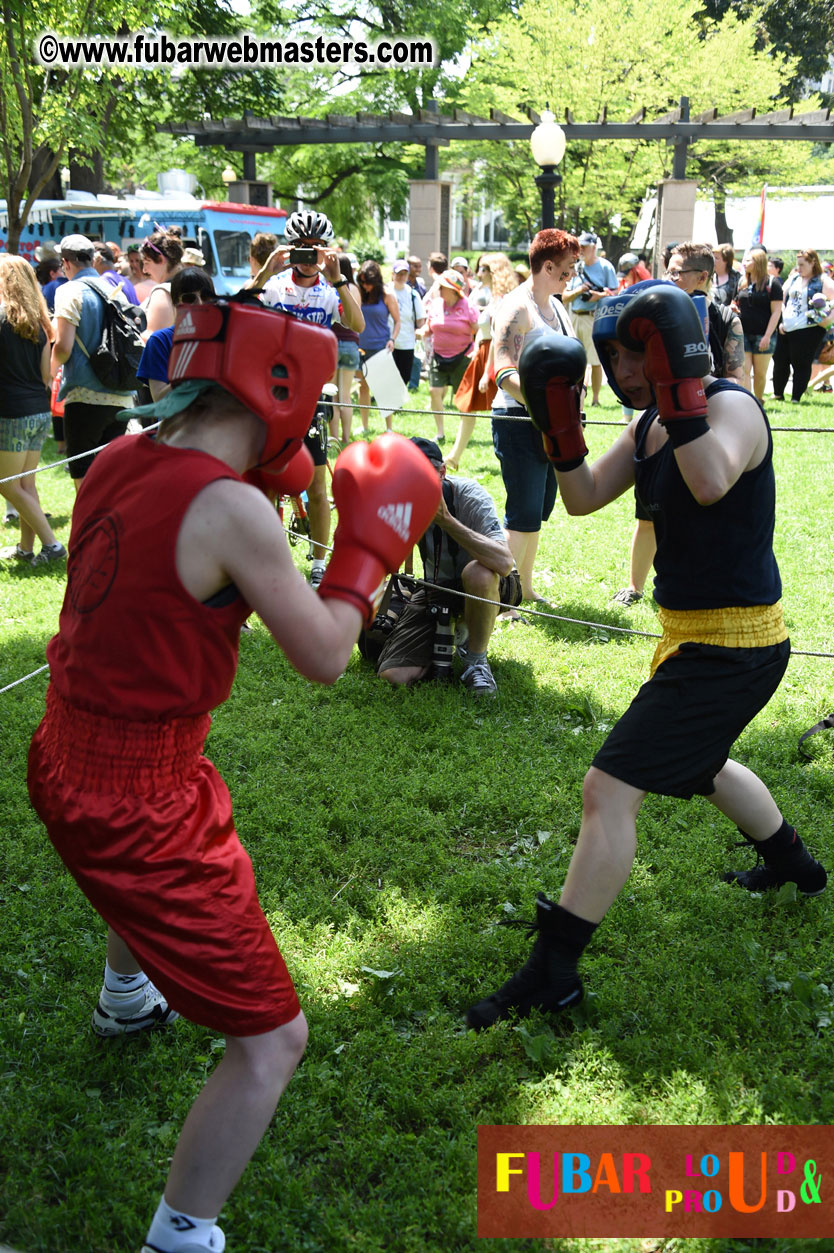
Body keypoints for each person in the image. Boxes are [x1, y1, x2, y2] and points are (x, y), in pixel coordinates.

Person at [27, 295, 440, 1253]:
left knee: (152, 841)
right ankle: (181, 1236)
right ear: (281, 388)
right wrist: (370, 550)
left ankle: (128, 994)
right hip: (137, 800)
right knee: (271, 1041)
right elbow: (327, 654)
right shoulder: (235, 509)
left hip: (70, 749)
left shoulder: (122, 454)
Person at [466, 280, 826, 1032]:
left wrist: (680, 392)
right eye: (619, 355)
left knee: (608, 787)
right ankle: (798, 867)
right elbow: (583, 495)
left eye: (641, 350)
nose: (627, 369)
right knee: (704, 764)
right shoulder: (652, 423)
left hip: (738, 645)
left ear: (676, 347)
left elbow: (711, 478)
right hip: (692, 637)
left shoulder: (727, 409)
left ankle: (555, 967)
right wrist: (555, 423)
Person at [249, 209, 364, 588]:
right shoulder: (275, 285)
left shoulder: (332, 289)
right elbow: (240, 311)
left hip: (312, 397)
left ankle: (317, 562)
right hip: (272, 396)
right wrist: (266, 271)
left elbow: (357, 325)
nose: (308, 255)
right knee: (268, 481)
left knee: (317, 484)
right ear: (289, 248)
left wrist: (340, 278)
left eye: (316, 248)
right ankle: (267, 555)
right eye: (301, 247)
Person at [374, 436, 516, 697]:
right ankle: (452, 630)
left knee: (478, 573)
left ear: (442, 472)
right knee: (394, 676)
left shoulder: (470, 495)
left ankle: (476, 660)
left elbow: (504, 563)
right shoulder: (399, 500)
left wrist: (446, 521)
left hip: (490, 583)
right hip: (436, 587)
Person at [490, 228, 579, 604]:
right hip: (519, 421)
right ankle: (502, 599)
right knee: (522, 512)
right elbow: (504, 371)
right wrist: (544, 408)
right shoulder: (516, 307)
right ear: (547, 265)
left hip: (552, 423)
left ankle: (524, 588)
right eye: (567, 268)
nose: (572, 275)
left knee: (538, 510)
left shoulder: (557, 305)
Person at [51, 234, 134, 492]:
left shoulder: (68, 291)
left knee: (84, 480)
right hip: (121, 396)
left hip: (86, 396)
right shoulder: (116, 291)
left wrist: (47, 373)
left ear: (66, 262)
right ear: (94, 258)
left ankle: (91, 531)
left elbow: (63, 347)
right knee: (110, 480)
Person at [0, 255, 66, 566]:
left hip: (12, 413)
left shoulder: (1, 320)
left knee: (7, 484)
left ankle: (52, 546)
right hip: (39, 412)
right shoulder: (41, 326)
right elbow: (46, 376)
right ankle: (26, 549)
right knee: (25, 483)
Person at [447, 254, 516, 472]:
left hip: (497, 356)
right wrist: (477, 349)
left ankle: (511, 456)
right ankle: (454, 457)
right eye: (479, 269)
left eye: (484, 269)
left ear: (495, 271)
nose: (479, 273)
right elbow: (484, 330)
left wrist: (488, 372)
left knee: (508, 409)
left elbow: (498, 337)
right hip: (484, 353)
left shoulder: (504, 299)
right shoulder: (489, 296)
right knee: (466, 405)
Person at [136, 268, 216, 403]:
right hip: (180, 423)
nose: (199, 303)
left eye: (206, 297)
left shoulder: (226, 338)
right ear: (175, 304)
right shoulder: (160, 341)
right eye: (189, 298)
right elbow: (159, 398)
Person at [772, 249, 834, 404]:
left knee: (801, 363)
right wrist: (781, 321)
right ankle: (778, 394)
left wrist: (827, 320)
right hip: (786, 328)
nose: (798, 268)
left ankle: (796, 397)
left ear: (813, 262)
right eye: (797, 264)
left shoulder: (823, 280)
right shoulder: (793, 279)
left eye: (802, 264)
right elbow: (781, 298)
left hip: (809, 329)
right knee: (780, 359)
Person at [424, 269, 478, 444]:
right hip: (438, 356)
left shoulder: (468, 306)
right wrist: (420, 332)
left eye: (443, 287)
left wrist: (476, 350)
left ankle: (464, 434)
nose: (439, 290)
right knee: (434, 391)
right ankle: (440, 432)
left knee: (462, 400)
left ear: (453, 289)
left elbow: (478, 331)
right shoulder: (436, 304)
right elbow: (429, 327)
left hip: (462, 357)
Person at [563, 231, 617, 406]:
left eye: (584, 247)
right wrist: (579, 291)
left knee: (595, 360)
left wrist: (597, 296)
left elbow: (614, 293)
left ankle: (595, 399)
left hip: (594, 317)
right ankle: (573, 394)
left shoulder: (605, 267)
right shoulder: (576, 267)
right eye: (580, 247)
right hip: (575, 316)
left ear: (594, 247)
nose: (581, 250)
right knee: (572, 358)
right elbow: (565, 296)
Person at [355, 260, 401, 434]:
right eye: (362, 282)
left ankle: (389, 428)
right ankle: (365, 425)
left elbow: (398, 322)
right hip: (361, 347)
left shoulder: (387, 295)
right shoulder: (359, 293)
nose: (365, 286)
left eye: (368, 282)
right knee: (363, 387)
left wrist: (392, 339)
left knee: (383, 388)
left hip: (381, 347)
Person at [736, 248, 783, 401]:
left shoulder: (772, 284)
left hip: (763, 335)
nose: (745, 263)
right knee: (744, 370)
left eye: (749, 260)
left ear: (758, 263)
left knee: (760, 373)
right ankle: (749, 401)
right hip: (744, 333)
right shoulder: (742, 282)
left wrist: (768, 336)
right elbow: (735, 301)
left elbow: (776, 312)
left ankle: (758, 398)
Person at [329, 255, 362, 443]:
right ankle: (346, 437)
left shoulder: (331, 287)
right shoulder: (355, 289)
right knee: (345, 395)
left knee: (332, 395)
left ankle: (333, 438)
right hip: (351, 344)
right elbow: (358, 317)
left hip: (332, 343)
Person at [140, 230, 184, 338]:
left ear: (160, 259)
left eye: (147, 262)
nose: (144, 270)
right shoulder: (191, 284)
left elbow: (153, 337)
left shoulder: (162, 293)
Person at [390, 259, 425, 390]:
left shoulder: (413, 294)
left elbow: (420, 320)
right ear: (392, 274)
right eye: (398, 273)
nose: (401, 277)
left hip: (406, 342)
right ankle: (388, 403)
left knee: (404, 375)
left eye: (404, 274)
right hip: (387, 341)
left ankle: (396, 403)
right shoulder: (385, 291)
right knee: (388, 375)